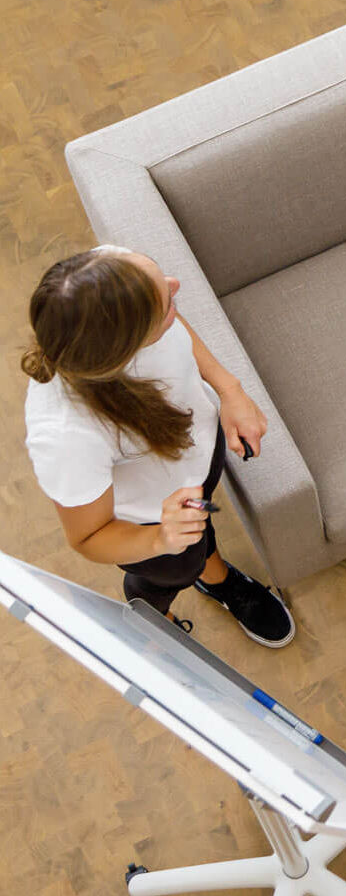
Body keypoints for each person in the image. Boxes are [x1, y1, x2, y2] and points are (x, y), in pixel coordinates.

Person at [22, 246, 296, 646]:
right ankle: (153, 610)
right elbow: (87, 536)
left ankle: (216, 577)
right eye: (164, 301)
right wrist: (160, 540)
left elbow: (173, 320)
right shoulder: (65, 434)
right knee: (174, 569)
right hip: (147, 524)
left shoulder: (108, 273)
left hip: (198, 459)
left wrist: (229, 389)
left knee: (200, 536)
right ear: (127, 344)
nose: (175, 286)